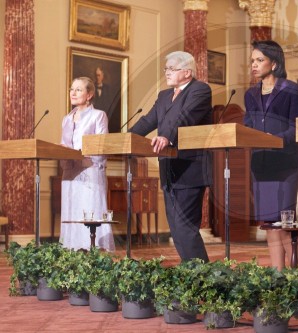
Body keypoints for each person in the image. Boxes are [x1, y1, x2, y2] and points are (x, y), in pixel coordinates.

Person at [129, 51, 212, 262]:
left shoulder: (200, 90)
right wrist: (126, 138)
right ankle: (192, 273)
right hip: (168, 168)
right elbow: (148, 121)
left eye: (171, 69)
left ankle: (202, 276)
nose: (166, 73)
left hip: (190, 168)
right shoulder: (164, 96)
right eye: (166, 69)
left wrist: (167, 136)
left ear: (187, 72)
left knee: (186, 227)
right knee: (176, 229)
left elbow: (187, 116)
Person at [244, 40, 298, 270]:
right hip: (261, 164)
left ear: (275, 63)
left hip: (285, 162)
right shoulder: (250, 94)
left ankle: (295, 276)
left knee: (285, 223)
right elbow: (248, 126)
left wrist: (274, 138)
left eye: (260, 60)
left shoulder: (290, 89)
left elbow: (296, 126)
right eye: (252, 61)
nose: (254, 65)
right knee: (269, 223)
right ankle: (278, 276)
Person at [59, 77, 115, 252]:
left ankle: (93, 250)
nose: (73, 93)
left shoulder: (98, 115)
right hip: (70, 172)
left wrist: (82, 156)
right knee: (72, 211)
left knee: (89, 210)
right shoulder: (66, 119)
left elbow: (102, 146)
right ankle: (72, 250)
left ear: (89, 94)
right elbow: (64, 144)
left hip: (90, 170)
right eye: (71, 89)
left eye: (78, 90)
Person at [93, 66, 120, 133]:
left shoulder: (108, 89)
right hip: (93, 121)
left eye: (99, 75)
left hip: (106, 120)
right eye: (96, 75)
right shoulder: (91, 88)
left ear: (102, 75)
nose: (97, 77)